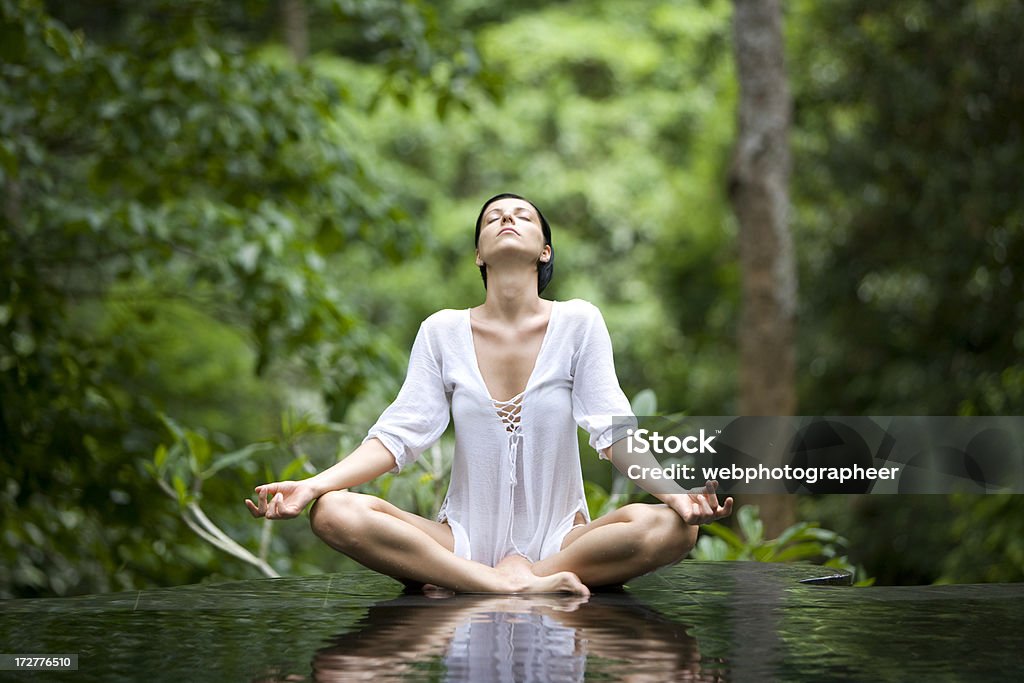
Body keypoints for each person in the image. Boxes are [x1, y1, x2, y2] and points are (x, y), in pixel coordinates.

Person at [246, 193, 733, 595]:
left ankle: (513, 579)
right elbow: (397, 437)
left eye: (523, 215)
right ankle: (500, 584)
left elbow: (613, 432)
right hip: (460, 542)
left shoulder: (579, 323)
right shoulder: (442, 332)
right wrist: (313, 485)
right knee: (333, 511)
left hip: (564, 544)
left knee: (675, 527)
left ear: (545, 250)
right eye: (493, 217)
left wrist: (677, 496)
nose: (507, 218)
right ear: (479, 253)